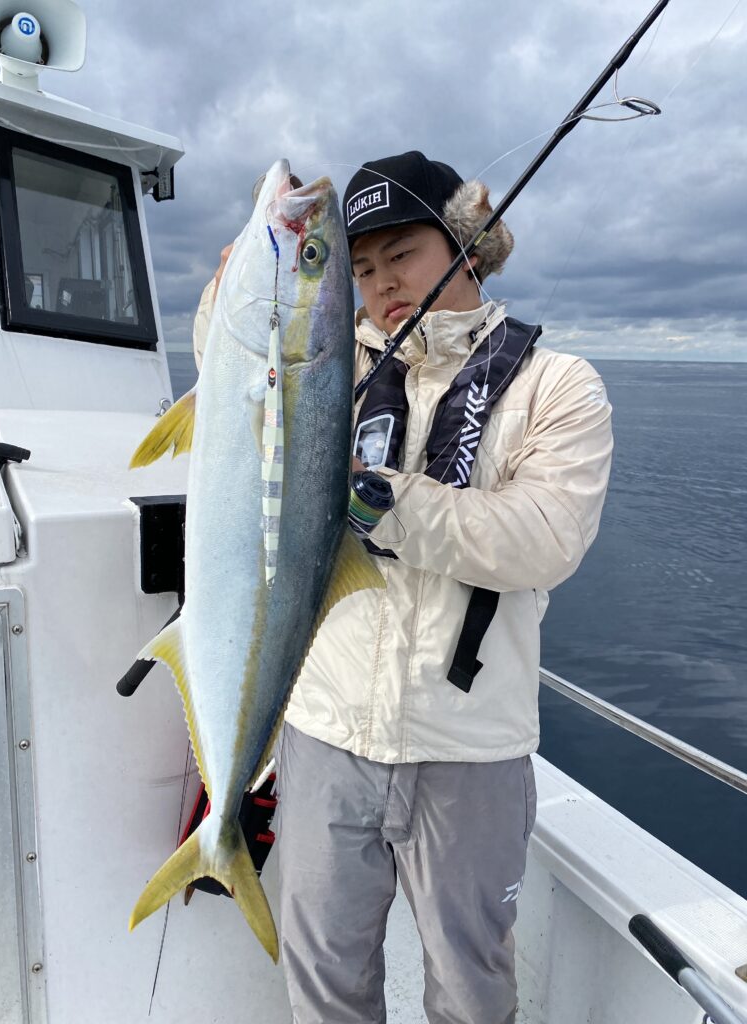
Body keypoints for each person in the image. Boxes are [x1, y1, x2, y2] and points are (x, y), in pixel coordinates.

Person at [193, 151, 613, 1024]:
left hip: (469, 751)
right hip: (325, 735)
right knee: (326, 983)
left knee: (471, 989)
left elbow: (546, 538)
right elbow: (234, 378)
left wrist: (386, 503)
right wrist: (233, 287)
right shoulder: (330, 368)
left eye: (404, 253)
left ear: (468, 247)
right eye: (363, 264)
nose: (383, 281)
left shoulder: (555, 385)